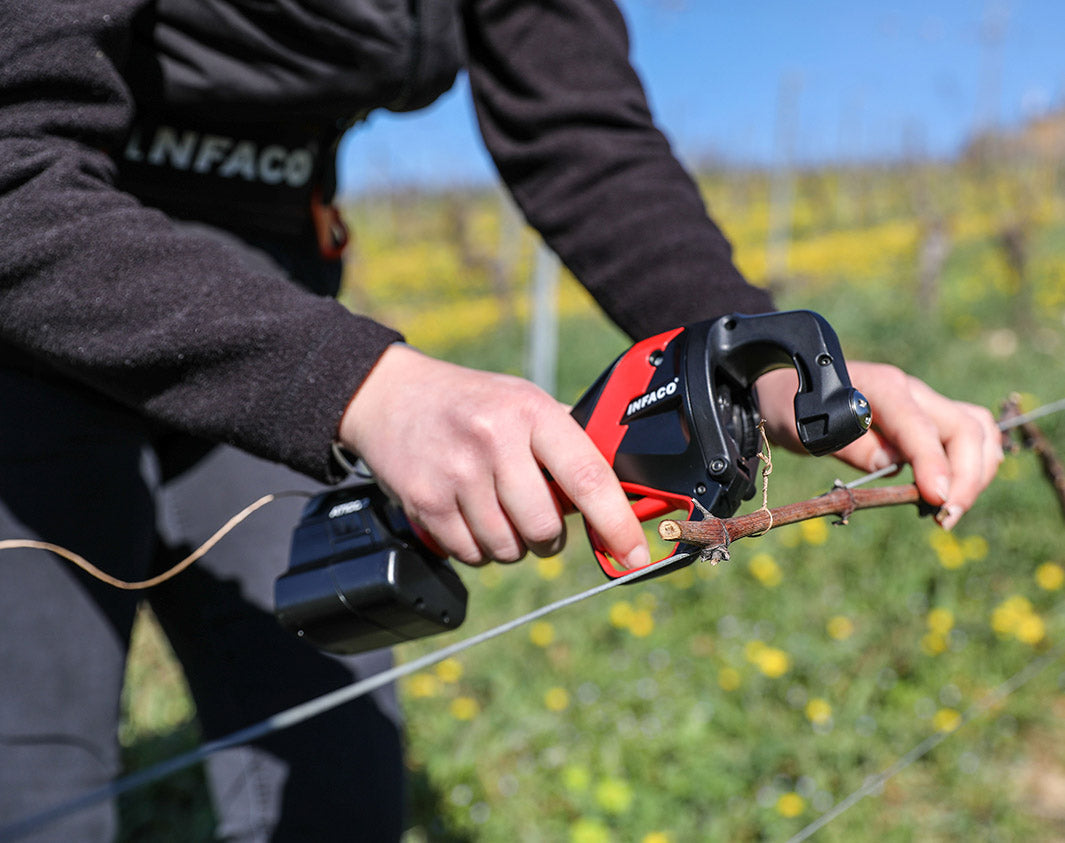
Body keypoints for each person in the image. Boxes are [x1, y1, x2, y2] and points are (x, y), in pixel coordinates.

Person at [0, 0, 1002, 840]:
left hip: (265, 333)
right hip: (37, 314)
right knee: (38, 788)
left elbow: (584, 139)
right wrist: (370, 388)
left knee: (336, 786)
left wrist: (757, 364)